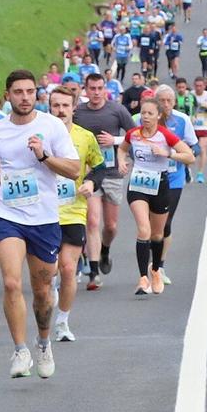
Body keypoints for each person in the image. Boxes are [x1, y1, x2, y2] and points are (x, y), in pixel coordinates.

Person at [0, 69, 81, 380]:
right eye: (18, 92)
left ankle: (42, 342)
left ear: (36, 94)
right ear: (7, 95)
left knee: (41, 291)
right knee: (12, 283)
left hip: (44, 219)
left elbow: (74, 170)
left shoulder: (51, 126)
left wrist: (43, 156)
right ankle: (20, 349)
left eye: (29, 92)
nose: (24, 97)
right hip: (7, 214)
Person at [118, 100, 197, 295]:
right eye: (143, 113)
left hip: (160, 185)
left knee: (157, 235)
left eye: (150, 113)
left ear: (158, 116)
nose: (145, 116)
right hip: (137, 185)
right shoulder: (133, 134)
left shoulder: (165, 135)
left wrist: (168, 153)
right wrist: (121, 162)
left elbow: (190, 156)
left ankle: (155, 271)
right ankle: (142, 278)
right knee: (143, 230)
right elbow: (122, 148)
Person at [45, 84, 103, 343]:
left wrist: (91, 182)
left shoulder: (85, 137)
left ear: (73, 107)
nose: (60, 110)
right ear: (49, 107)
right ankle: (51, 293)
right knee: (48, 272)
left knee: (68, 268)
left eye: (65, 105)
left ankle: (62, 322)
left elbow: (100, 167)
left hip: (73, 211)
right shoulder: (39, 134)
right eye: (56, 105)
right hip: (42, 213)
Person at [73, 69, 134, 283]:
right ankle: (94, 271)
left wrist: (115, 143)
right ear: (86, 90)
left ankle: (105, 250)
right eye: (92, 89)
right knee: (92, 221)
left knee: (110, 226)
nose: (96, 93)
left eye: (100, 88)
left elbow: (134, 135)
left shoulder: (117, 111)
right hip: (90, 174)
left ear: (105, 90)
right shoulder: (78, 113)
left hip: (112, 173)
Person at [151, 84, 199, 276]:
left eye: (169, 100)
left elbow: (194, 148)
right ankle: (150, 263)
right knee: (149, 224)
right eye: (161, 100)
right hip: (149, 176)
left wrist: (174, 154)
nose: (166, 104)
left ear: (174, 101)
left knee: (166, 222)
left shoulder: (182, 120)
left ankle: (159, 266)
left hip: (174, 177)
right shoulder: (146, 119)